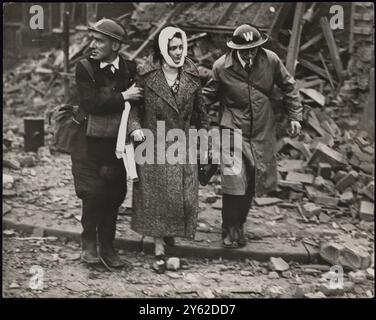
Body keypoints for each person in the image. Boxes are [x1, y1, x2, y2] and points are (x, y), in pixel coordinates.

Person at [202, 24, 302, 248]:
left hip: (261, 128)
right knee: (234, 180)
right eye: (245, 50)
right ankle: (229, 228)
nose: (250, 54)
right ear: (235, 48)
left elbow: (289, 86)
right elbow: (207, 97)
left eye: (254, 49)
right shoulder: (221, 67)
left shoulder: (271, 60)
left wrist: (295, 116)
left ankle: (239, 224)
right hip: (232, 126)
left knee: (252, 180)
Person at [127, 26, 208, 273]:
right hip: (152, 144)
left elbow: (201, 115)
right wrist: (135, 128)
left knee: (182, 198)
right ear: (162, 49)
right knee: (157, 199)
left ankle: (169, 241)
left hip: (181, 144)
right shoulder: (145, 75)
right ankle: (160, 251)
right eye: (172, 48)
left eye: (181, 47)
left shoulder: (192, 76)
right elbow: (133, 109)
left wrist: (203, 143)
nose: (178, 52)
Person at [72, 18, 143, 267]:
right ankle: (88, 242)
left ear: (115, 45)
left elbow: (140, 103)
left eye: (99, 41)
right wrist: (123, 95)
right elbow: (91, 102)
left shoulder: (131, 68)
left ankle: (108, 247)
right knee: (93, 194)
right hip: (88, 144)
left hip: (117, 144)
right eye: (93, 39)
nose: (93, 45)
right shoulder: (85, 68)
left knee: (114, 195)